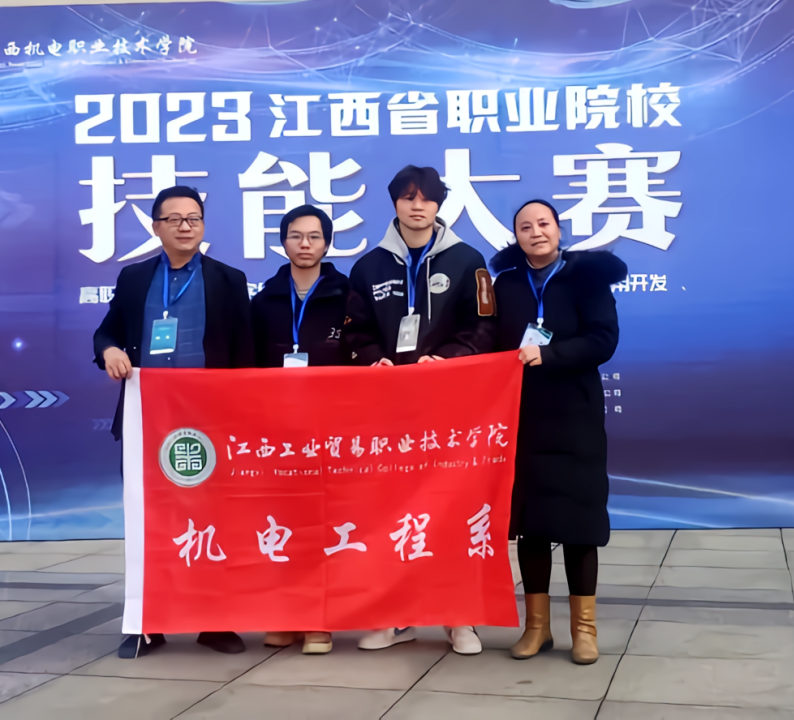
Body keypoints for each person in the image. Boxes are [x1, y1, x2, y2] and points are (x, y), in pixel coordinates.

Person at [92, 185, 255, 660]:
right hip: (149, 423)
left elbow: (244, 353)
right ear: (156, 227)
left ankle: (214, 621)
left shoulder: (229, 279)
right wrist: (109, 350)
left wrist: (242, 419)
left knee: (213, 522)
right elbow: (107, 332)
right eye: (175, 219)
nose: (186, 227)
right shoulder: (134, 278)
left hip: (210, 424)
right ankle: (148, 623)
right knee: (151, 523)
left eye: (194, 218)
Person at [343, 165, 495, 656]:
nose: (417, 206)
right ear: (394, 204)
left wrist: (446, 360)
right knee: (392, 512)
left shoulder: (468, 260)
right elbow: (355, 332)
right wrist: (373, 360)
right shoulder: (368, 267)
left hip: (451, 407)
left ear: (438, 205)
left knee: (452, 508)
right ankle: (395, 616)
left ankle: (459, 618)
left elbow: (485, 326)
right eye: (408, 197)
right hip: (388, 410)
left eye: (426, 198)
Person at [486, 199, 626, 665]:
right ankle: (537, 629)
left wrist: (550, 355)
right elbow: (490, 342)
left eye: (543, 224)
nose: (536, 232)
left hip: (575, 418)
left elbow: (603, 339)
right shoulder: (507, 284)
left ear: (559, 229)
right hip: (523, 418)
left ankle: (584, 631)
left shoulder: (586, 278)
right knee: (533, 527)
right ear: (516, 236)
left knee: (579, 526)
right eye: (525, 227)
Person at [251, 204, 349, 655]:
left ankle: (319, 620)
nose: (305, 244)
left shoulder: (348, 296)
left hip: (330, 426)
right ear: (283, 242)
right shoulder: (264, 300)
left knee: (322, 522)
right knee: (281, 523)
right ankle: (287, 614)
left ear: (327, 243)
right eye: (295, 235)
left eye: (314, 236)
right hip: (278, 430)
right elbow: (246, 364)